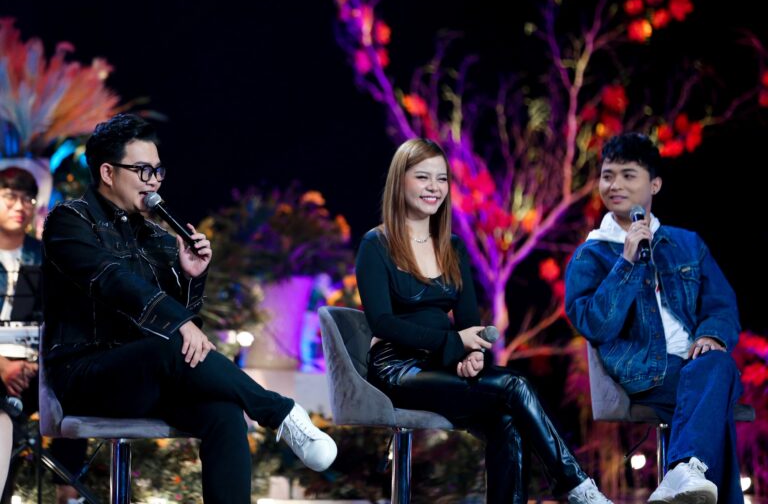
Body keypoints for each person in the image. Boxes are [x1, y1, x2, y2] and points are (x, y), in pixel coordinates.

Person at [41, 114, 337, 503]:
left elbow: (183, 327)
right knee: (170, 346)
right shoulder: (69, 221)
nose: (153, 181)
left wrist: (192, 277)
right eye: (142, 170)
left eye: (157, 171)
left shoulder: (157, 236)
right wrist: (178, 323)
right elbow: (112, 280)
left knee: (224, 414)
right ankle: (280, 413)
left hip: (149, 376)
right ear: (108, 172)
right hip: (85, 377)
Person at [355, 138, 612, 504]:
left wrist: (472, 354)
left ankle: (568, 488)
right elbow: (382, 323)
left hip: (441, 365)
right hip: (396, 369)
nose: (434, 187)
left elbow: (469, 323)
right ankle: (577, 487)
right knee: (514, 385)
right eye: (423, 177)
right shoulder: (376, 244)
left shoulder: (452, 246)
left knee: (506, 419)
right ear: (400, 181)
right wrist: (454, 343)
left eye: (442, 179)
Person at [565, 132, 743, 504]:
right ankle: (685, 467)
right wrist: (627, 263)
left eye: (628, 175)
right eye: (608, 176)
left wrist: (711, 334)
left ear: (655, 185)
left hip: (694, 365)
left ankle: (684, 473)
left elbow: (722, 305)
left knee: (715, 366)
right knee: (719, 382)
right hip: (641, 370)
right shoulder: (590, 255)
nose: (615, 185)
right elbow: (595, 325)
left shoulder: (687, 244)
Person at [0, 167, 87, 504]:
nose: (20, 205)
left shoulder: (44, 256)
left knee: (74, 386)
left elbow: (60, 318)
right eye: (10, 196)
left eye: (28, 199)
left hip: (36, 366)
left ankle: (68, 493)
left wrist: (39, 363)